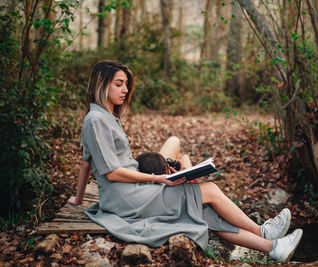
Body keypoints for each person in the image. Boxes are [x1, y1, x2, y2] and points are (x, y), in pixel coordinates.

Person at [68, 60, 303, 262]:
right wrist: (157, 177)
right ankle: (264, 232)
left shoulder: (107, 117)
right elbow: (111, 173)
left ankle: (273, 248)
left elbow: (86, 161)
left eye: (126, 84)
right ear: (101, 85)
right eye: (118, 84)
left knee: (203, 210)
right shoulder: (96, 120)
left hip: (133, 191)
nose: (125, 89)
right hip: (126, 199)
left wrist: (78, 198)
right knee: (208, 190)